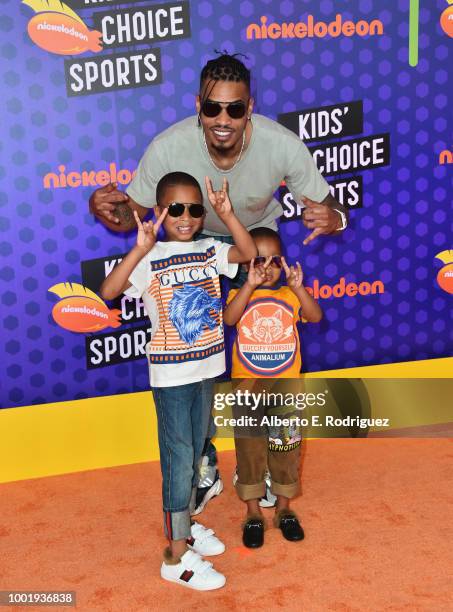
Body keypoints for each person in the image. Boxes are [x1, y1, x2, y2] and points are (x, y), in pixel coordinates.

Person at [90, 53, 348, 513]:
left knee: (265, 360)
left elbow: (327, 208)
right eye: (213, 108)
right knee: (201, 360)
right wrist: (105, 210)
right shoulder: (169, 147)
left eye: (234, 108)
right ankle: (205, 464)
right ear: (198, 106)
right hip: (196, 253)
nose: (222, 119)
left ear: (250, 107)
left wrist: (336, 218)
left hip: (254, 254)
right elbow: (131, 214)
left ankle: (267, 464)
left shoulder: (280, 144)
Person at [100, 171, 256, 589]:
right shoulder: (149, 257)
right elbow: (109, 291)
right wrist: (138, 250)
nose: (185, 217)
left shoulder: (210, 249)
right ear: (159, 210)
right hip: (171, 378)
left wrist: (228, 214)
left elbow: (248, 251)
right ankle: (175, 555)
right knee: (179, 458)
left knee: (201, 450)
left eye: (194, 209)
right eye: (175, 209)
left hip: (208, 370)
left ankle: (186, 524)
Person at [223, 227, 322, 548]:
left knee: (286, 449)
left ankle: (284, 510)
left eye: (274, 261)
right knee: (249, 452)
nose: (267, 268)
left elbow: (315, 316)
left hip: (286, 389)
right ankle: (253, 512)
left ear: (283, 263)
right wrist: (248, 287)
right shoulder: (239, 295)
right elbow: (229, 319)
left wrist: (300, 288)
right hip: (248, 390)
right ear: (245, 265)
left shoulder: (289, 296)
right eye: (258, 261)